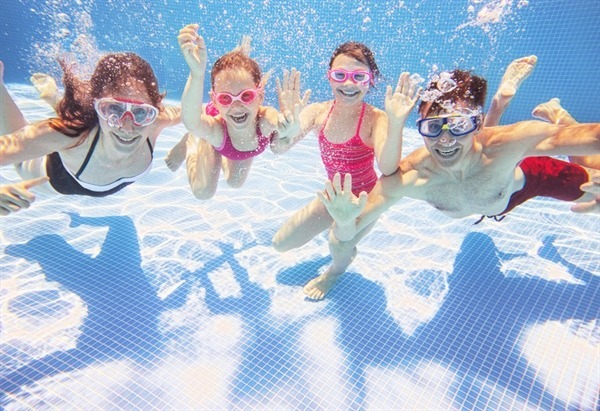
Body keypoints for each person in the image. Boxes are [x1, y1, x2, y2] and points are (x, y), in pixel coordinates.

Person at [314, 68, 599, 300]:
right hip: (491, 186)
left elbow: (592, 137)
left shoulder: (507, 144)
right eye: (433, 127)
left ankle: (557, 114)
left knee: (593, 170)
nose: (446, 140)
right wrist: (344, 221)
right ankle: (498, 104)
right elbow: (344, 237)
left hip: (524, 180)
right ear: (421, 127)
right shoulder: (413, 177)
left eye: (460, 125)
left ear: (477, 123)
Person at [271, 41, 422, 299]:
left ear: (370, 80)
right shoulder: (318, 112)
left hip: (365, 201)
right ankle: (342, 236)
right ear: (329, 77)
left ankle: (336, 271)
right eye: (340, 75)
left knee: (337, 244)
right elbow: (278, 149)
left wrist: (396, 123)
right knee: (281, 243)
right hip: (334, 197)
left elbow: (388, 168)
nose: (349, 84)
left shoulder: (375, 118)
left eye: (359, 76)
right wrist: (284, 133)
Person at [0, 54, 181, 216]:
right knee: (21, 157)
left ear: (155, 109)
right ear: (96, 107)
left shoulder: (155, 122)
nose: (127, 127)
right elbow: (7, 146)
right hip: (48, 175)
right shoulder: (70, 135)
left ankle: (55, 99)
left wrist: (184, 145)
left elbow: (193, 112)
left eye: (141, 112)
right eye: (114, 109)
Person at [164, 24, 307, 199]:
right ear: (215, 101)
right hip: (214, 137)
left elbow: (276, 123)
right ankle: (191, 141)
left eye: (246, 96)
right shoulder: (217, 129)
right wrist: (196, 73)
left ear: (260, 96)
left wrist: (287, 126)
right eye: (226, 98)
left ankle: (206, 138)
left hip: (231, 147)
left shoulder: (263, 120)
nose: (237, 106)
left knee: (235, 182)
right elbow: (191, 121)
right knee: (203, 192)